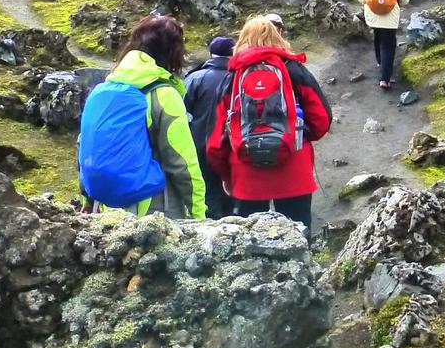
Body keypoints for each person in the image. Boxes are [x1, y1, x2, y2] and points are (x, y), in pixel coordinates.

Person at [206, 14, 332, 234]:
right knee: (298, 236)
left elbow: (216, 142)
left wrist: (227, 176)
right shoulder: (294, 70)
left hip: (246, 176)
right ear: (277, 36)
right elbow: (321, 119)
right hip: (294, 170)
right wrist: (297, 134)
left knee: (251, 244)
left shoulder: (231, 78)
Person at [98, 15, 206, 219]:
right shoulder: (164, 94)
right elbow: (182, 162)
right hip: (156, 210)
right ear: (173, 52)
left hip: (110, 208)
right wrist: (199, 213)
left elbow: (87, 148)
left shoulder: (105, 89)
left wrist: (88, 199)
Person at [182, 34, 235, 217]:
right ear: (232, 54)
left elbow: (182, 111)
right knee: (231, 194)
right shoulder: (238, 77)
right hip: (231, 147)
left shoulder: (195, 78)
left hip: (199, 147)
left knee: (207, 194)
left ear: (211, 54)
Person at [356, 0, 413, 90]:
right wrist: (395, 4)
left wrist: (372, 5)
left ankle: (380, 63)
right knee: (388, 44)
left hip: (372, 15)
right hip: (390, 15)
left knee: (377, 36)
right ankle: (385, 79)